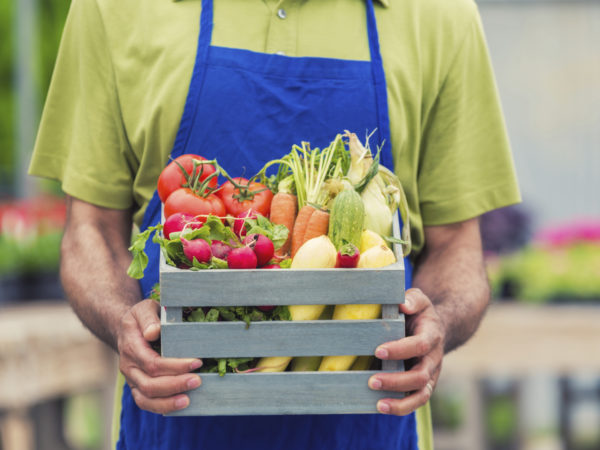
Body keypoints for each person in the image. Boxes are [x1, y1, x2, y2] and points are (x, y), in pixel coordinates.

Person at [29, 0, 520, 448]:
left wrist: (438, 322)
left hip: (369, 426)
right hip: (176, 423)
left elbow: (458, 246)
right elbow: (90, 230)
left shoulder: (440, 15)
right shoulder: (112, 9)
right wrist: (124, 324)